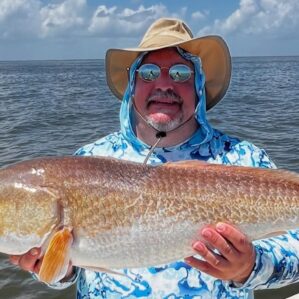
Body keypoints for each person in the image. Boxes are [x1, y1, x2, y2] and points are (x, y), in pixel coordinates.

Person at [9, 18, 299, 299]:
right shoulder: (89, 158)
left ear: (198, 86)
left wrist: (250, 268)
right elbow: (65, 274)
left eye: (180, 74)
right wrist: (54, 270)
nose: (164, 84)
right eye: (148, 72)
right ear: (133, 85)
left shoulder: (244, 158)